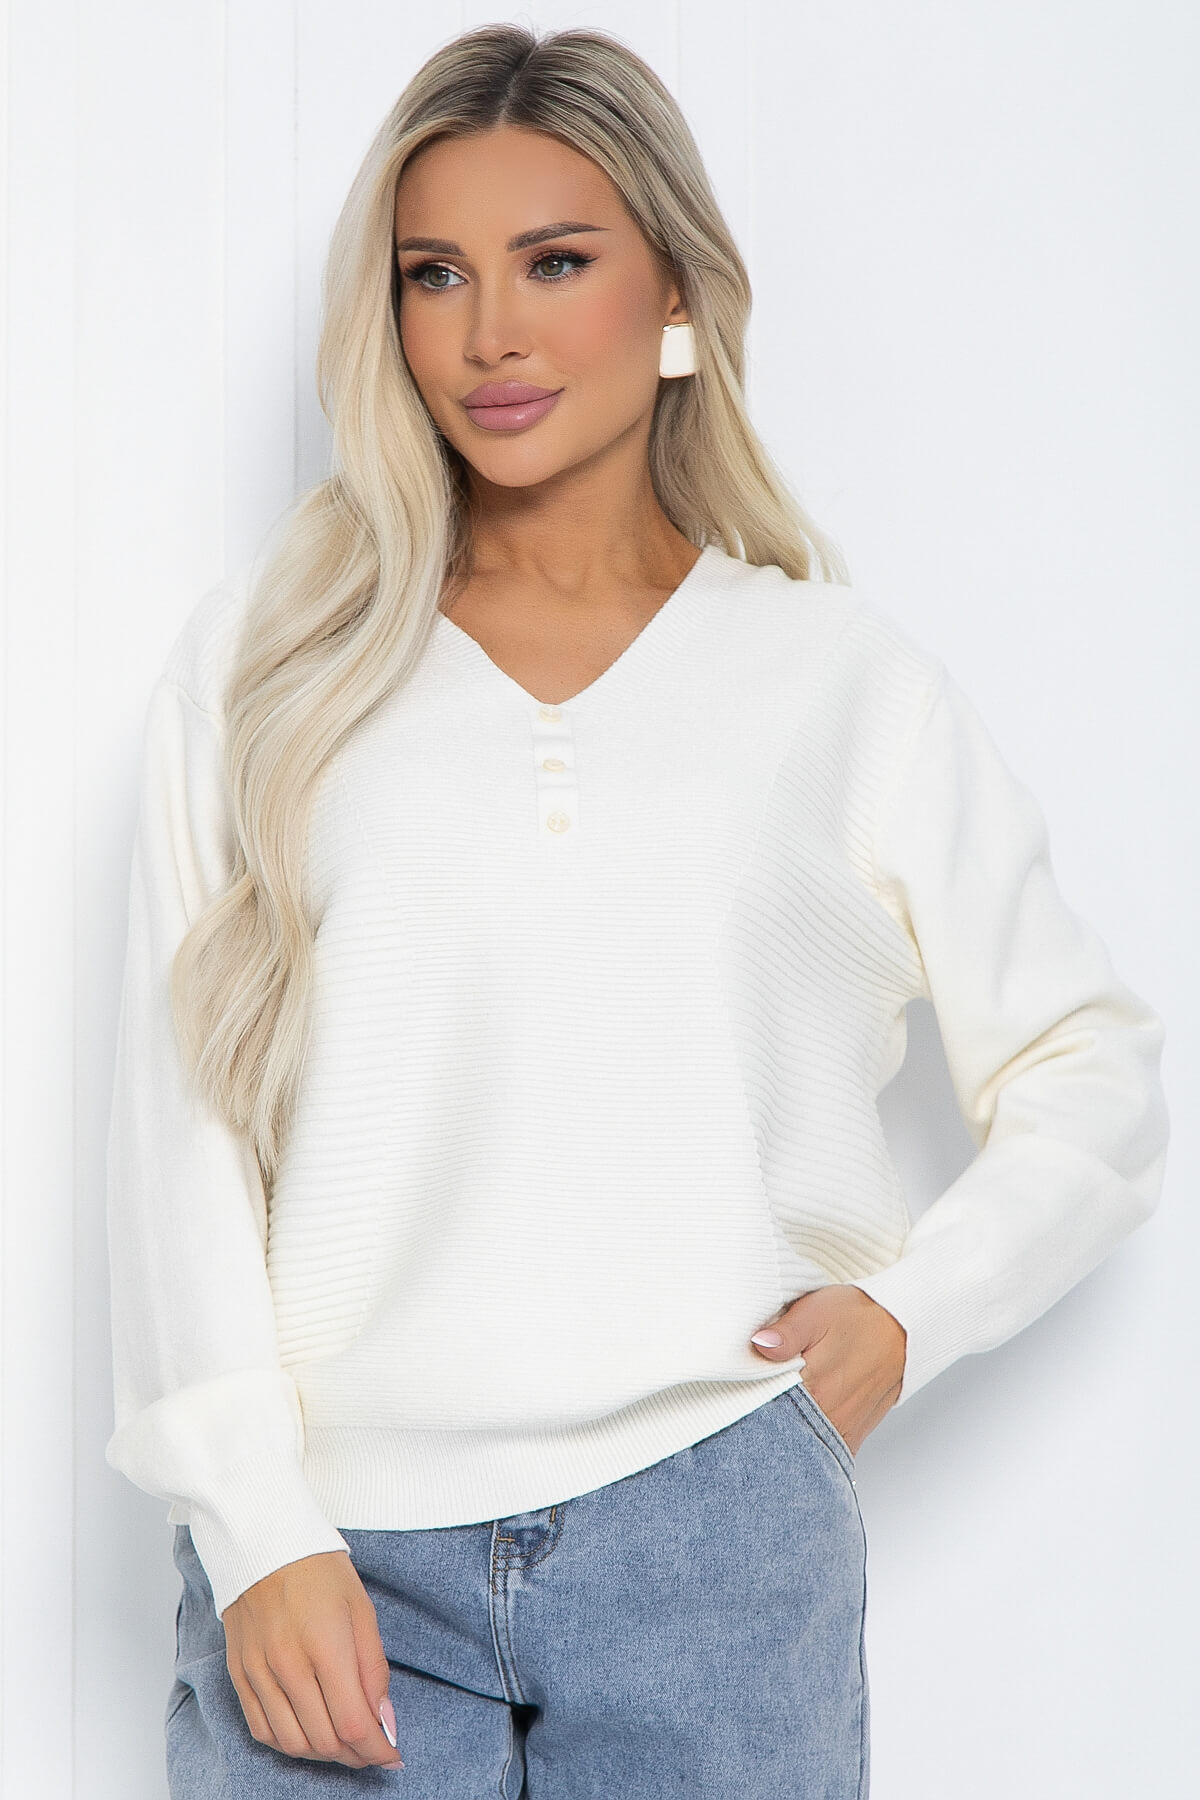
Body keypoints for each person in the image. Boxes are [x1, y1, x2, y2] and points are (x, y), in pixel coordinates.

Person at [103, 22, 1170, 1799]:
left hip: (717, 1534)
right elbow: (182, 1118)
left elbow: (1095, 1070)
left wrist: (913, 1314)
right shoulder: (270, 664)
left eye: (555, 263)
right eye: (434, 273)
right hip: (334, 1559)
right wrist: (253, 1521)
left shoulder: (838, 681)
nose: (490, 336)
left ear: (673, 289)